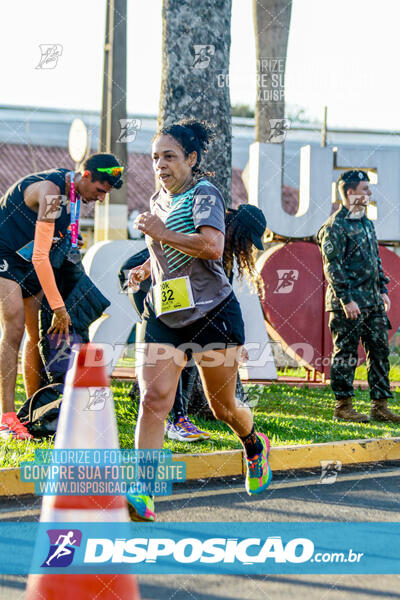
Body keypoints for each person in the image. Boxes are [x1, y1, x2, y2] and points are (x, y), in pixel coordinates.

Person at [126, 119, 272, 521]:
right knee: (154, 400)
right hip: (164, 313)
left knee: (223, 407)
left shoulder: (203, 194)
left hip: (212, 314)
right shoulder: (159, 199)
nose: (160, 164)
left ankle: (254, 443)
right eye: (155, 157)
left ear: (191, 159)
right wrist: (145, 267)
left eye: (169, 156)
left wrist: (159, 232)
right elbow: (169, 250)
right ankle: (143, 491)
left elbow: (210, 246)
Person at [0, 153, 124, 440]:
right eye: (101, 190)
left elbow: (48, 240)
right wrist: (60, 308)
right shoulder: (52, 191)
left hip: (29, 262)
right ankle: (5, 417)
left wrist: (69, 238)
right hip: (6, 256)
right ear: (86, 175)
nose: (101, 198)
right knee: (14, 329)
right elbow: (42, 255)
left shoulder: (75, 196)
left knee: (36, 334)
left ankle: (35, 410)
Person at [317, 169, 399, 423]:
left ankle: (380, 405)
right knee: (346, 353)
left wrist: (383, 290)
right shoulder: (334, 227)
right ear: (350, 192)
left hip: (372, 301)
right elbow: (332, 267)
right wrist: (346, 298)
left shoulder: (366, 223)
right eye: (365, 189)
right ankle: (343, 406)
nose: (369, 193)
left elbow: (374, 260)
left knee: (379, 351)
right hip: (348, 304)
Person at [119, 249, 209, 442]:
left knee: (184, 350)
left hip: (169, 284)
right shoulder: (199, 233)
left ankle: (178, 418)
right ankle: (177, 420)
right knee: (178, 350)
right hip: (159, 286)